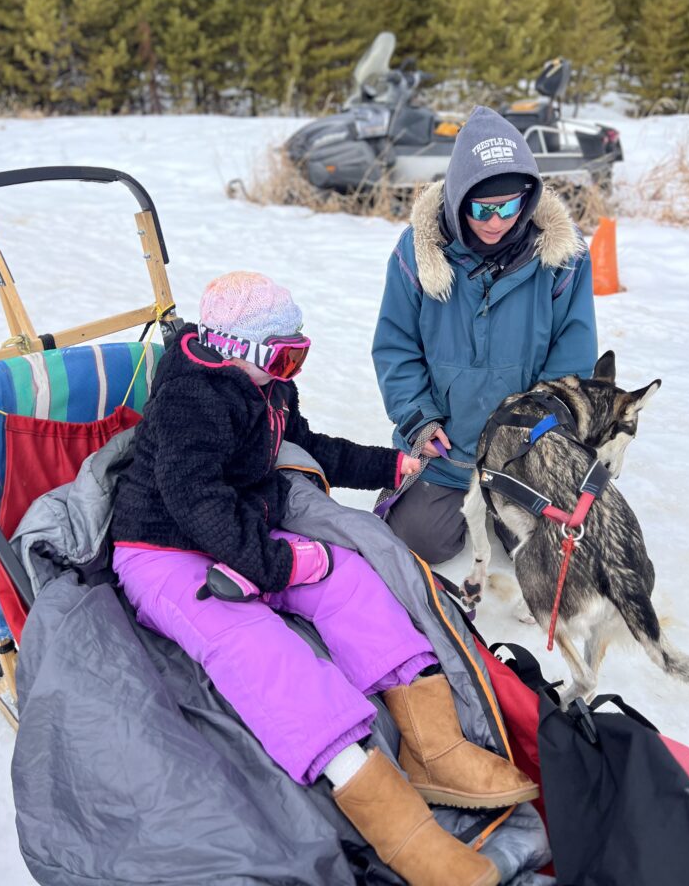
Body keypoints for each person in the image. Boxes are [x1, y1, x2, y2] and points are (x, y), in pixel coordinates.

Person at [110, 271, 536, 886]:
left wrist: (389, 464)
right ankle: (399, 827)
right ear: (235, 348)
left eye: (299, 355)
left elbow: (306, 445)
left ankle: (434, 747)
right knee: (264, 651)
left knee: (350, 579)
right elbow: (194, 500)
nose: (292, 370)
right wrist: (276, 566)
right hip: (164, 549)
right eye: (284, 357)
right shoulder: (191, 399)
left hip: (241, 528)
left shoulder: (269, 386)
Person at [372, 106, 598, 564]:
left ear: (528, 199)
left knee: (549, 549)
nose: (497, 221)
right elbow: (396, 346)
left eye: (510, 206)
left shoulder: (562, 254)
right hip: (448, 449)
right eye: (482, 209)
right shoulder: (416, 251)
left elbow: (573, 349)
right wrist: (418, 419)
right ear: (459, 199)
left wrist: (545, 425)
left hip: (525, 446)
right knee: (417, 541)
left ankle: (509, 500)